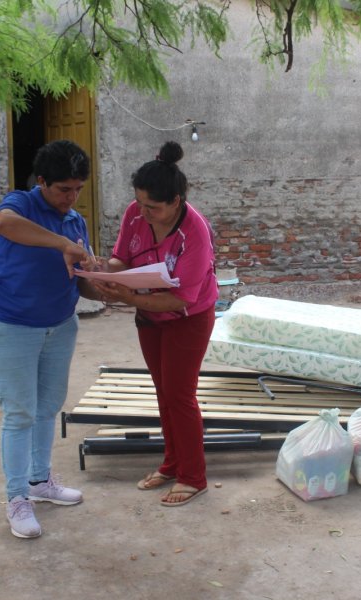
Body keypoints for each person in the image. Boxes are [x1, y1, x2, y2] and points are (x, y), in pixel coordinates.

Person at [0, 140, 103, 538]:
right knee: (19, 413)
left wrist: (119, 287)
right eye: (64, 189)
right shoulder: (19, 205)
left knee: (48, 407)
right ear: (42, 182)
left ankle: (39, 481)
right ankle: (17, 499)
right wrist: (64, 244)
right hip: (11, 326)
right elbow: (5, 225)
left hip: (60, 325)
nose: (72, 197)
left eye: (78, 189)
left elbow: (83, 284)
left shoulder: (75, 221)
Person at [93, 141, 218, 508]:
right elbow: (121, 257)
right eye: (140, 203)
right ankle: (172, 463)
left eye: (153, 207)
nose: (143, 212)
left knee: (180, 395)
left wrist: (125, 297)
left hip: (188, 318)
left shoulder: (195, 233)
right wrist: (106, 275)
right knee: (163, 390)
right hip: (150, 316)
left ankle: (194, 477)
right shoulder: (136, 212)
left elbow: (181, 299)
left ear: (176, 201)